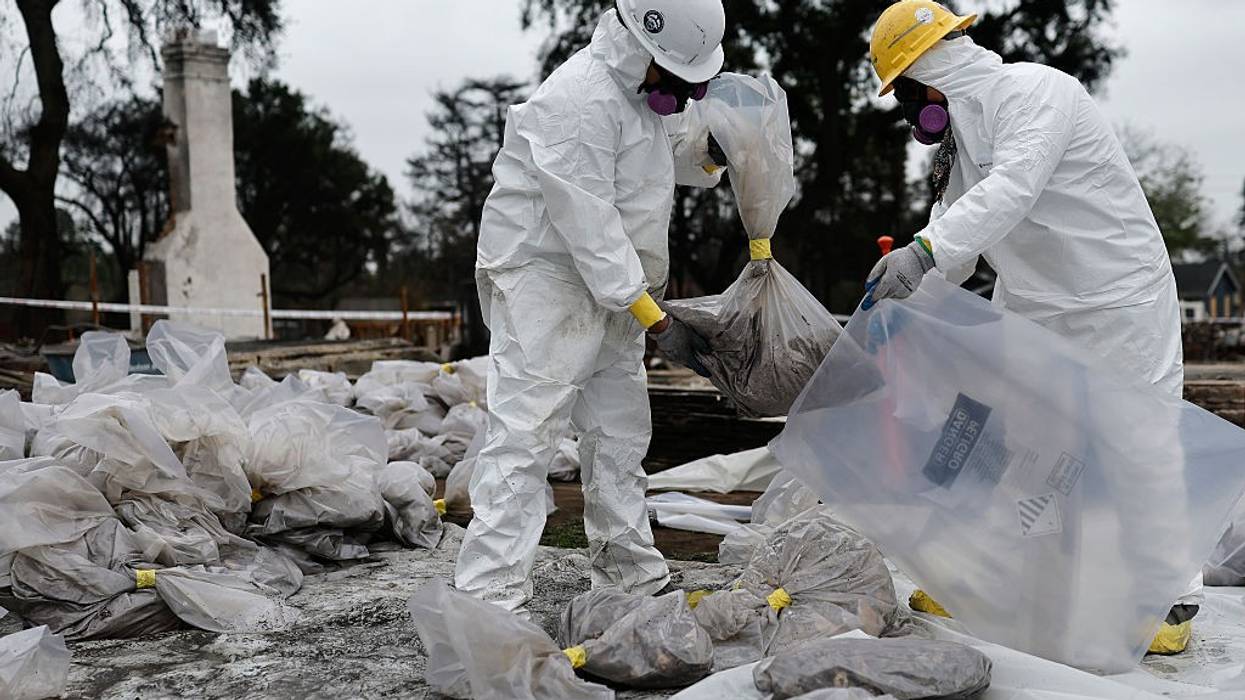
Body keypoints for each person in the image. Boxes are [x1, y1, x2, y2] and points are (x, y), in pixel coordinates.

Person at [863, 0, 1201, 653]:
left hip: (1116, 295)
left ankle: (1170, 599)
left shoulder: (1037, 92)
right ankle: (988, 577)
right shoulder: (966, 150)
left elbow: (1011, 189)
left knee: (1138, 441)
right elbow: (959, 243)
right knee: (1015, 440)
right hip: (1037, 302)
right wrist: (897, 311)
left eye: (905, 96)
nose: (910, 116)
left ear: (932, 75)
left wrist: (921, 250)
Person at [454, 0, 728, 615]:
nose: (684, 94)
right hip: (544, 280)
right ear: (642, 47)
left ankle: (631, 575)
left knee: (619, 433)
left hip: (613, 286)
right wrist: (654, 319)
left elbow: (657, 158)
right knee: (527, 436)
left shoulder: (636, 95)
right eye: (680, 79)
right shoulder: (578, 98)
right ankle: (489, 602)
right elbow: (590, 222)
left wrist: (714, 153)